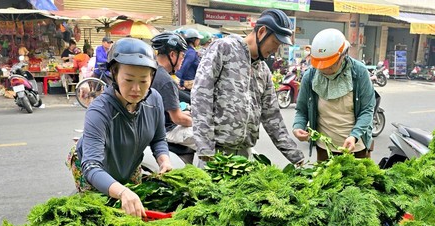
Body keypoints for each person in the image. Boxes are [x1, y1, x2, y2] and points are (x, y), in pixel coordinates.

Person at [68, 38, 172, 217]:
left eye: (143, 81)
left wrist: (164, 160)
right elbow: (92, 166)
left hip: (130, 164)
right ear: (114, 74)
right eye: (129, 80)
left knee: (135, 215)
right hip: (93, 168)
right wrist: (122, 192)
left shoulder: (154, 100)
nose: (136, 89)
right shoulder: (99, 110)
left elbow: (158, 138)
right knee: (102, 219)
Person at [191, 8, 304, 165]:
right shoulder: (223, 49)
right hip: (215, 153)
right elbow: (201, 97)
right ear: (261, 32)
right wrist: (205, 149)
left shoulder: (263, 70)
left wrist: (297, 158)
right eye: (275, 43)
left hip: (244, 155)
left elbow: (272, 116)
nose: (275, 50)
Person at [291, 28, 375, 162]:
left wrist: (354, 135)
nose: (324, 69)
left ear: (343, 56)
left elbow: (367, 110)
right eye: (321, 65)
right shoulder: (311, 76)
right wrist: (298, 126)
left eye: (330, 65)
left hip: (356, 146)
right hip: (325, 148)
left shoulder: (359, 73)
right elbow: (301, 110)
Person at [151, 32, 197, 165]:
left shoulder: (153, 72)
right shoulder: (166, 80)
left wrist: (186, 114)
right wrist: (200, 123)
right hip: (166, 130)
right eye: (182, 56)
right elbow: (177, 119)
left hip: (157, 126)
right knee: (207, 139)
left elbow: (168, 111)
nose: (183, 60)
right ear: (172, 54)